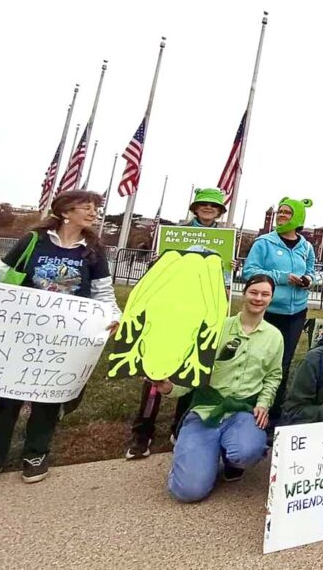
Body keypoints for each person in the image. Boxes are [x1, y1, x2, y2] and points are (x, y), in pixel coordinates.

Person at [0, 190, 120, 492]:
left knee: (49, 397)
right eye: (85, 207)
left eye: (95, 209)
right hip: (19, 335)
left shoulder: (95, 251)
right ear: (65, 211)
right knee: (4, 396)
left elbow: (103, 293)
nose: (93, 213)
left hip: (64, 340)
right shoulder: (33, 242)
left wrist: (113, 316)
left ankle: (36, 453)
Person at [126, 186, 231, 460]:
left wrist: (227, 268)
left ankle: (180, 426)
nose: (208, 209)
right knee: (154, 371)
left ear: (220, 210)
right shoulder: (175, 234)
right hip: (169, 311)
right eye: (203, 204)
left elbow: (223, 282)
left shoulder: (224, 240)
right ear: (195, 208)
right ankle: (142, 433)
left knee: (190, 371)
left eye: (213, 205)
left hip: (201, 313)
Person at [161, 274, 284, 502]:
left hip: (242, 412)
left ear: (271, 298)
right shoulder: (218, 328)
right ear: (243, 293)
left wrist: (263, 404)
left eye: (265, 294)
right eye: (253, 292)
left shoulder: (274, 337)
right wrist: (168, 386)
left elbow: (273, 376)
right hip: (207, 412)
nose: (258, 298)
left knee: (248, 450)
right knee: (188, 492)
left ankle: (230, 458)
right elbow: (192, 372)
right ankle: (192, 458)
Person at [242, 197, 318, 437]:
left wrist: (308, 280)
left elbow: (312, 272)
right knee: (258, 361)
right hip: (268, 311)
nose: (281, 215)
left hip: (296, 314)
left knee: (282, 365)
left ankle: (274, 416)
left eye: (287, 212)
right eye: (280, 212)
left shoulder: (306, 247)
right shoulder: (264, 243)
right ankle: (248, 412)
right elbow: (249, 272)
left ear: (298, 218)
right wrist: (282, 277)